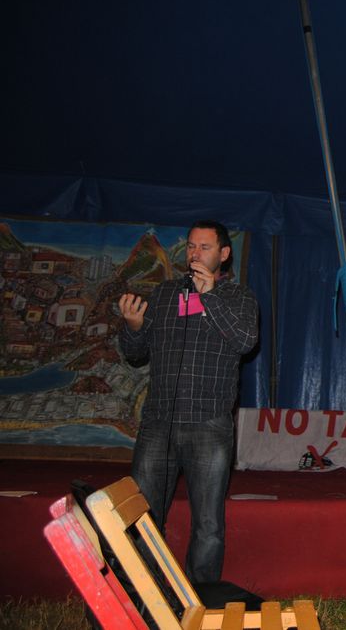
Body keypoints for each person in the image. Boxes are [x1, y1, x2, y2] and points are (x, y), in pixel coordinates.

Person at [118, 219, 258, 583]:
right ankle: (141, 597)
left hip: (208, 425)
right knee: (143, 518)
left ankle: (201, 601)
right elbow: (136, 354)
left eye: (205, 247)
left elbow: (245, 341)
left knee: (208, 525)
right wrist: (133, 327)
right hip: (158, 424)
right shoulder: (165, 294)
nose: (195, 254)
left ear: (224, 254)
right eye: (192, 247)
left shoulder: (238, 297)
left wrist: (209, 297)